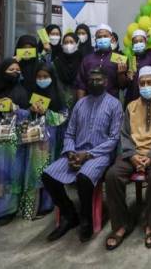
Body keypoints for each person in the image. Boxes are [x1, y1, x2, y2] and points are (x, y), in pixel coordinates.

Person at [41, 67, 123, 242]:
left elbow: (114, 139)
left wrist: (87, 155)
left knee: (83, 179)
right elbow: (69, 133)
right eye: (91, 79)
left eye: (98, 79)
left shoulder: (114, 104)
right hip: (75, 152)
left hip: (100, 155)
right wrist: (70, 152)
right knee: (48, 176)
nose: (94, 82)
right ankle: (69, 214)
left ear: (106, 82)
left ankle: (86, 218)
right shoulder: (80, 104)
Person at [104, 66, 151, 250]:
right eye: (142, 83)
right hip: (131, 154)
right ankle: (121, 225)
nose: (145, 86)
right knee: (112, 176)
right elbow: (124, 135)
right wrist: (133, 155)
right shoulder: (131, 107)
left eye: (149, 82)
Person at [0, 58, 29, 227]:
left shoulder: (21, 92)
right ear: (2, 72)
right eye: (11, 70)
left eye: (18, 70)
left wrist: (15, 108)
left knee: (10, 175)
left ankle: (8, 211)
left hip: (12, 144)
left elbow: (29, 117)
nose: (15, 73)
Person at [20, 63, 68, 220]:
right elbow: (22, 116)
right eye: (39, 77)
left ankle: (47, 204)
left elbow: (63, 117)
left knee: (47, 170)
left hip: (51, 141)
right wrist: (30, 111)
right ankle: (31, 207)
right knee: (33, 172)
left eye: (45, 77)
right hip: (33, 139)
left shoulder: (59, 95)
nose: (42, 80)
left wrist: (47, 112)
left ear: (52, 78)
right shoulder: (30, 93)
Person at [75, 24, 128, 99]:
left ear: (111, 38)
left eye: (105, 36)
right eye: (99, 37)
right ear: (95, 40)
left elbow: (123, 86)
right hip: (90, 103)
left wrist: (121, 74)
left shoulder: (119, 58)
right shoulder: (87, 59)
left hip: (111, 103)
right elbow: (81, 85)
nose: (102, 39)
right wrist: (80, 105)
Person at [52, 33, 83, 109]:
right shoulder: (56, 62)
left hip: (79, 102)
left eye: (71, 42)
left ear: (77, 44)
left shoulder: (83, 61)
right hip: (59, 102)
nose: (68, 45)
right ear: (62, 45)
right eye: (65, 42)